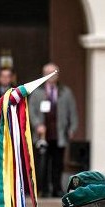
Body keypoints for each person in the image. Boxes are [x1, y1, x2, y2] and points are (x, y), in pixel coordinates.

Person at [28, 63, 79, 197]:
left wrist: (72, 128)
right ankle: (43, 189)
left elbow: (72, 111)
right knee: (42, 163)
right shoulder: (37, 92)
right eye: (48, 73)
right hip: (42, 135)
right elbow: (31, 111)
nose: (51, 76)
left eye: (54, 73)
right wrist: (37, 124)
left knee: (57, 162)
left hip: (59, 133)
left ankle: (57, 188)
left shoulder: (65, 92)